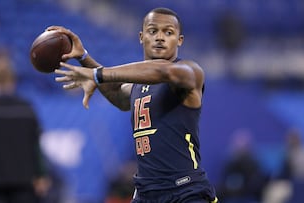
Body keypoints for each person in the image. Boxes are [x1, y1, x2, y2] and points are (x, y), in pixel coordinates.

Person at [50, 7, 218, 203]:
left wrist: (97, 75)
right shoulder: (137, 85)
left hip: (185, 191)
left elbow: (165, 73)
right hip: (146, 192)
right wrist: (84, 58)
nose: (160, 37)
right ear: (141, 36)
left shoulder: (190, 71)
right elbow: (116, 95)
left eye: (169, 32)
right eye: (153, 31)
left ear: (179, 40)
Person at [0, 50, 50, 203]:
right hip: (23, 181)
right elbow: (36, 147)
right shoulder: (26, 109)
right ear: (13, 80)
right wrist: (41, 174)